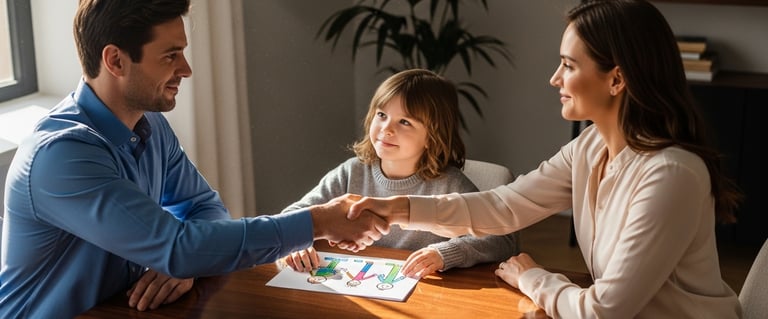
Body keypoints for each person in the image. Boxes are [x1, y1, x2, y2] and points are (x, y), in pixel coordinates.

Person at [346, 0, 744, 317]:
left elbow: (601, 311)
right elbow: (503, 205)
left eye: (569, 65)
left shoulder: (671, 175)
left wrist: (533, 277)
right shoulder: (590, 147)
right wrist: (395, 208)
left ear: (617, 79)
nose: (555, 78)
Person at [0, 1, 387, 318]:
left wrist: (188, 264)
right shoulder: (62, 155)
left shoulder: (149, 123)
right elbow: (180, 247)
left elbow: (203, 207)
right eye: (170, 56)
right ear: (115, 61)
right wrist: (317, 221)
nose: (185, 69)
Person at [279, 69, 518, 278]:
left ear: (433, 136)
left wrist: (444, 254)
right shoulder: (352, 172)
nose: (386, 129)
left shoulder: (449, 184)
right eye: (381, 115)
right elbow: (292, 215)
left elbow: (500, 240)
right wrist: (296, 241)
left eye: (404, 122)